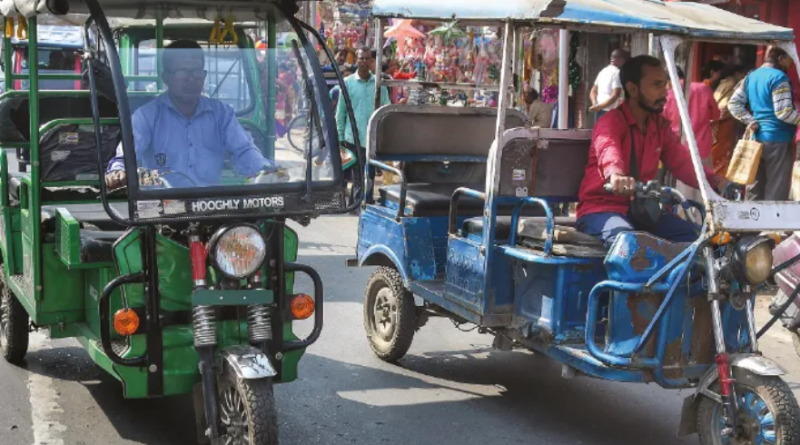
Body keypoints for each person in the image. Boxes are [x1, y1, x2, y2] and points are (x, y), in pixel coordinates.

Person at [576, 56, 728, 247]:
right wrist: (616, 176)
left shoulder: (659, 126)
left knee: (698, 240)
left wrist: (716, 181)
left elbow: (682, 162)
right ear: (632, 89)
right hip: (602, 210)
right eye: (657, 85)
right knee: (629, 244)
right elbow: (607, 147)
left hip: (643, 210)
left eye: (665, 85)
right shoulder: (611, 121)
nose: (665, 92)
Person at [105, 40, 279, 189]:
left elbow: (244, 150)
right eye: (183, 72)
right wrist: (119, 171)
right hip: (161, 208)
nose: (191, 78)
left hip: (209, 207)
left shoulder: (221, 114)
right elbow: (126, 156)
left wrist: (265, 170)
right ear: (166, 77)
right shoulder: (147, 116)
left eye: (197, 71)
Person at [728, 46, 800, 201]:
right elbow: (784, 112)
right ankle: (772, 225)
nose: (792, 64)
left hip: (756, 138)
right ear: (781, 58)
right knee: (776, 190)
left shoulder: (751, 76)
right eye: (790, 59)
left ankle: (751, 224)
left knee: (754, 188)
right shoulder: (779, 78)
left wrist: (751, 120)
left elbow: (733, 104)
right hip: (778, 139)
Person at [336, 47, 390, 156]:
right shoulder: (347, 83)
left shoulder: (379, 84)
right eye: (361, 58)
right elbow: (340, 113)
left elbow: (386, 111)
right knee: (354, 173)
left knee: (370, 173)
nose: (364, 61)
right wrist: (340, 138)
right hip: (352, 140)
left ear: (371, 61)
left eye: (367, 59)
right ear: (356, 60)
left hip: (374, 141)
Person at [663, 66, 720, 163]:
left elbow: (662, 123)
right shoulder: (703, 88)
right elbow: (716, 114)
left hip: (678, 147)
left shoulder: (667, 96)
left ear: (668, 81)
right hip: (702, 147)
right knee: (704, 176)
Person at [711, 65, 748, 175]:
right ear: (737, 73)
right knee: (722, 151)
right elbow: (724, 105)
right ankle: (718, 176)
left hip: (720, 120)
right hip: (724, 121)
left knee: (719, 150)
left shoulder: (725, 82)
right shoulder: (732, 84)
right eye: (743, 74)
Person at [589, 49, 628, 117]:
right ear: (619, 60)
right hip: (610, 112)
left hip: (599, 110)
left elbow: (593, 90)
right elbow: (615, 95)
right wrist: (599, 106)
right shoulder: (617, 72)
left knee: (599, 127)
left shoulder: (602, 71)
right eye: (623, 60)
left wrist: (595, 104)